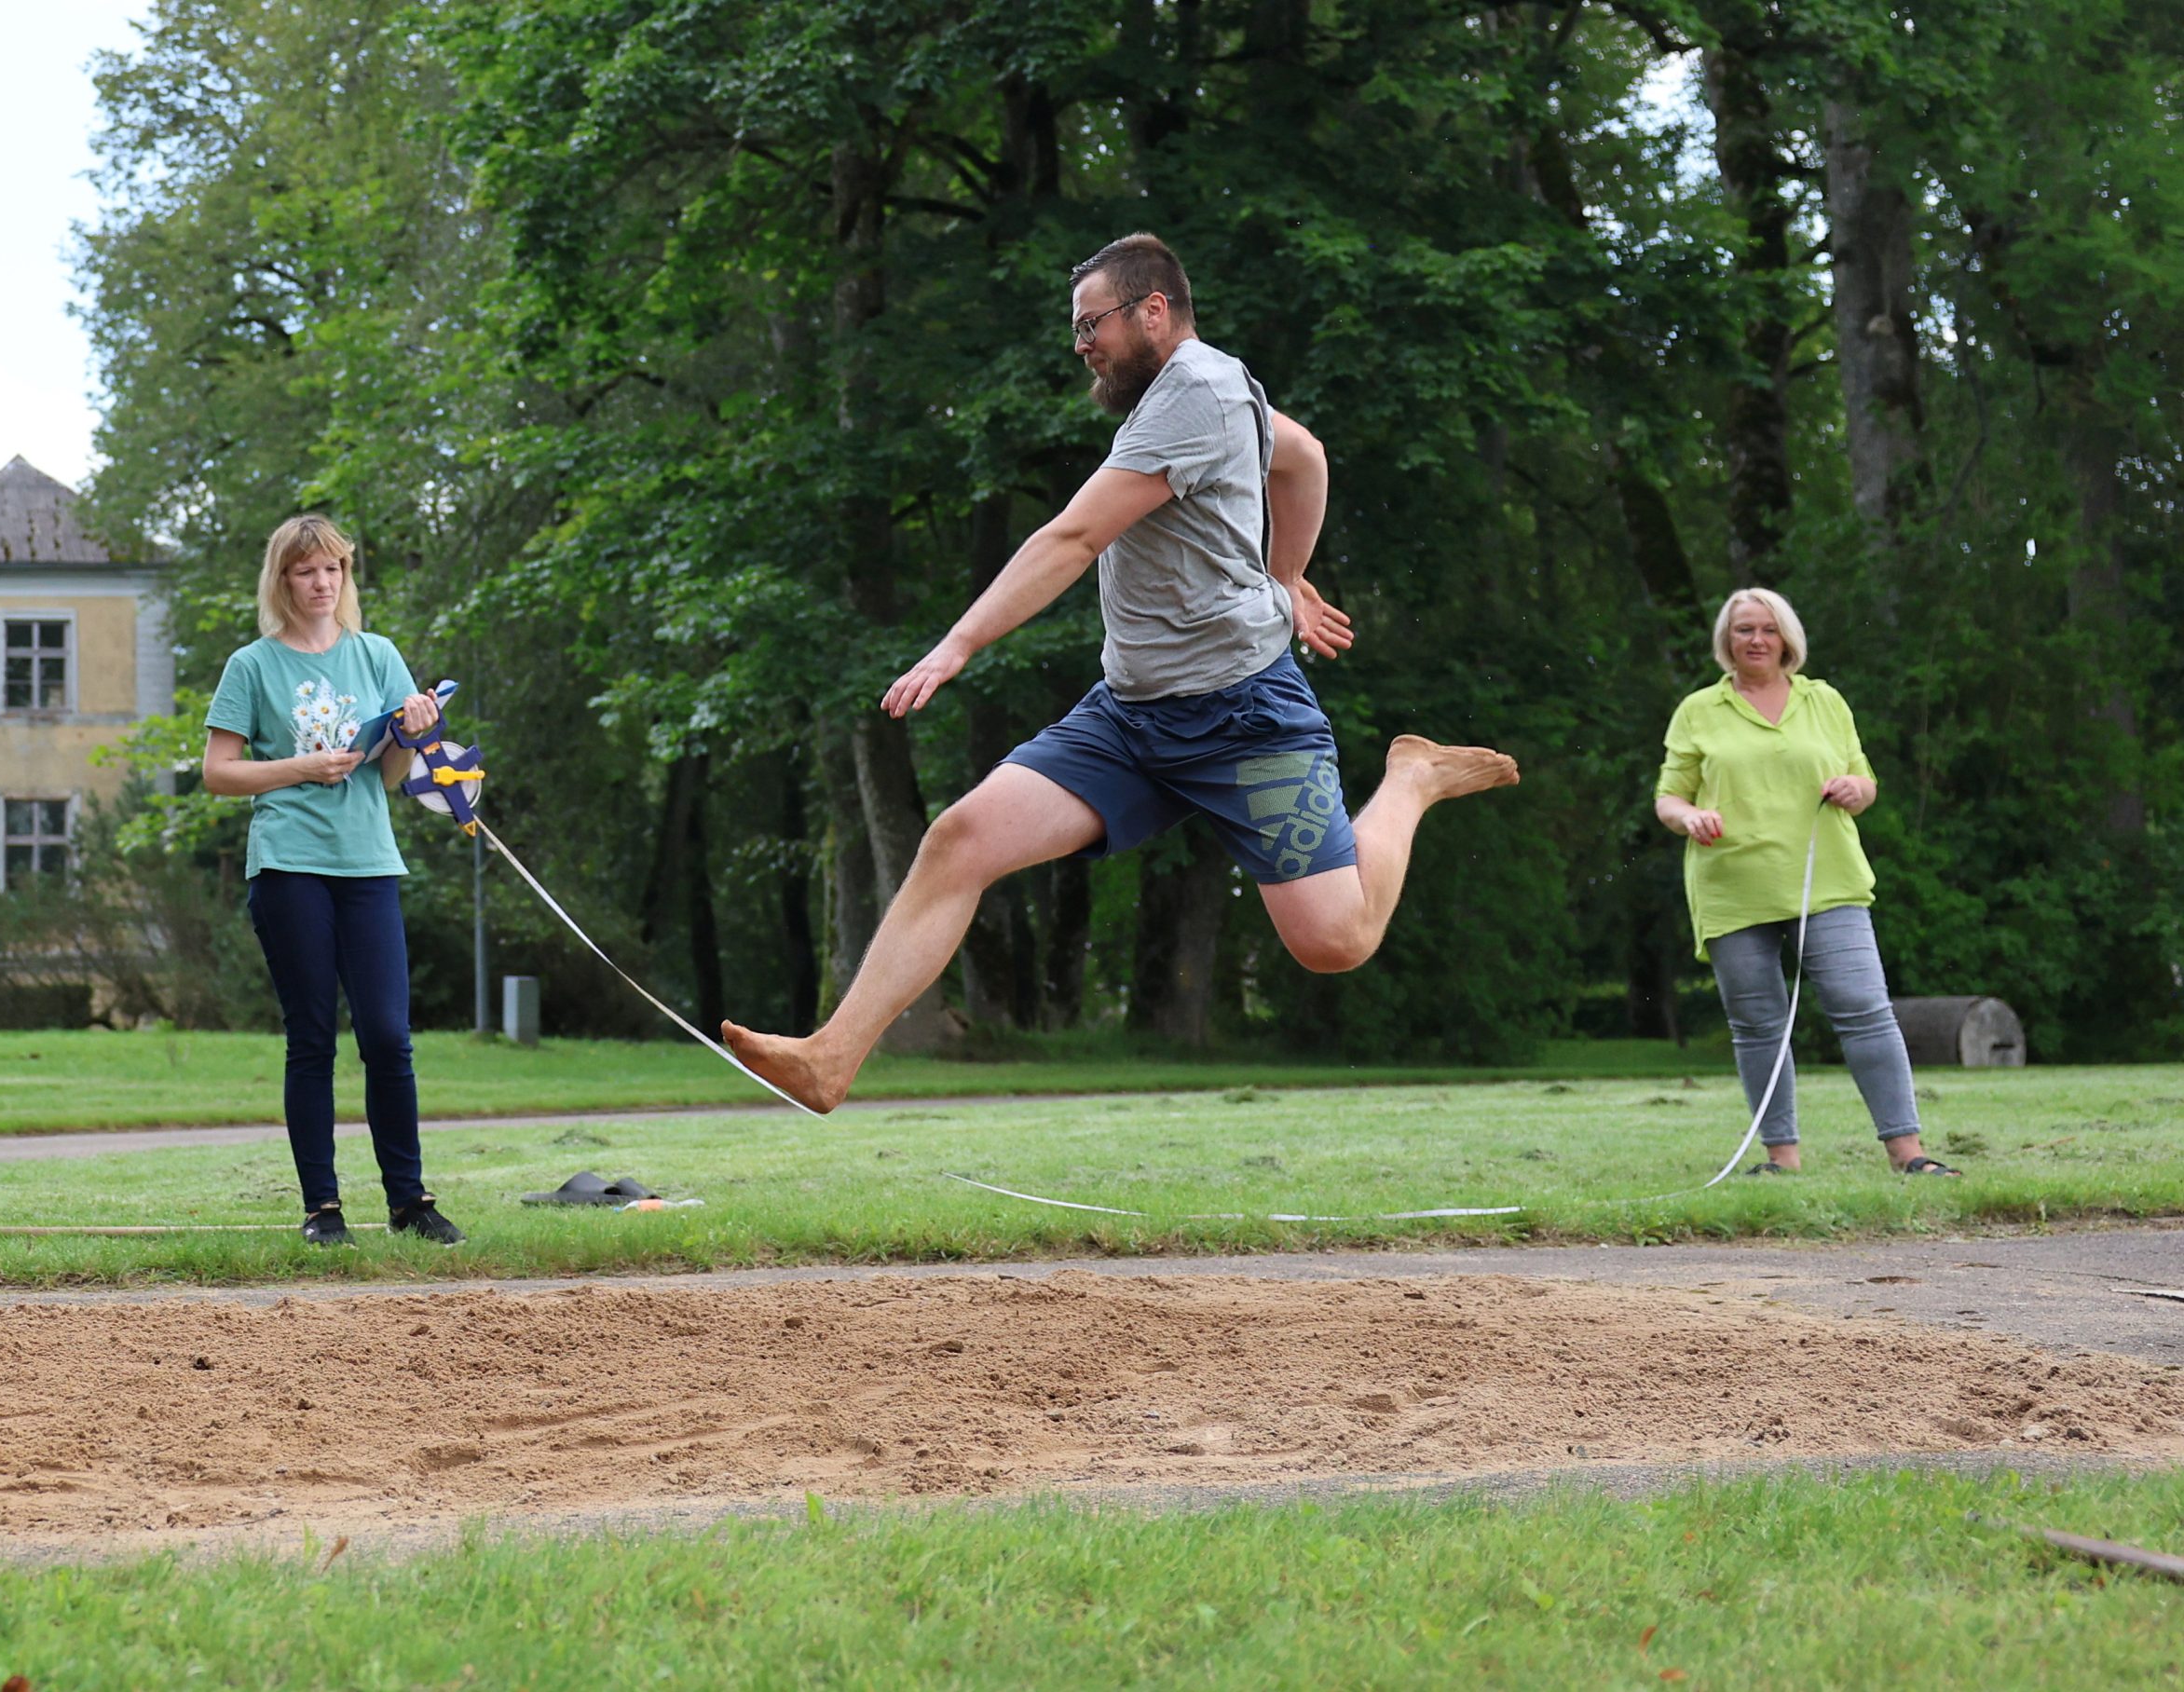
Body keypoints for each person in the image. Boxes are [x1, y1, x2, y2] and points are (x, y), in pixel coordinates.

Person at [723, 233, 1519, 1112]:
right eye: (1076, 328)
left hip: (1245, 720)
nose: (1080, 345)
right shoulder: (1205, 394)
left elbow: (1073, 537)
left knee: (1335, 942)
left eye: (1090, 324)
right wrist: (1285, 576)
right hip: (1132, 718)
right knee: (960, 839)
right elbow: (1304, 456)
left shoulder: (1198, 390)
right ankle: (831, 1058)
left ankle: (1411, 779)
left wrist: (958, 645)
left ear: (1153, 312)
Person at [202, 514, 470, 1244]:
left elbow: (390, 775)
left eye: (333, 569)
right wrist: (301, 767)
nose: (321, 583)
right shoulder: (251, 666)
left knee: (387, 1036)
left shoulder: (377, 654)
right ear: (282, 580)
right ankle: (323, 1211)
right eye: (305, 571)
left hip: (368, 863)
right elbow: (218, 773)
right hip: (289, 865)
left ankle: (410, 1203)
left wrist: (413, 733)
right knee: (313, 1037)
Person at [1654, 587, 1959, 1177]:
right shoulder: (1698, 710)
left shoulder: (1825, 701)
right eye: (1744, 629)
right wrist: (1689, 817)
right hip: (1733, 887)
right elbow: (1669, 796)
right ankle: (1781, 1159)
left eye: (1768, 629)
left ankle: (1909, 1155)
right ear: (1727, 641)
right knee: (1758, 1026)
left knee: (1863, 1007)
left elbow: (1864, 782)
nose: (1757, 640)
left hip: (1828, 882)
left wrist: (1854, 789)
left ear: (1787, 638)